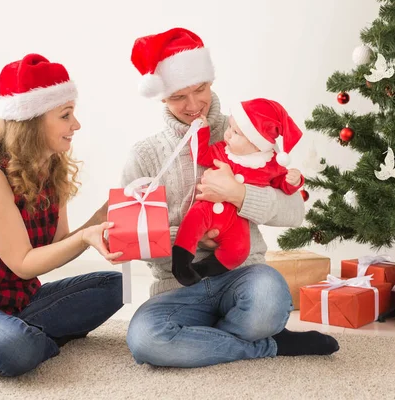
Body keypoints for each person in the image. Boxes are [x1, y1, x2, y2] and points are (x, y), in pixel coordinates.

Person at [123, 27, 340, 368]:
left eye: (200, 89)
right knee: (145, 341)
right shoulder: (145, 155)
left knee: (268, 300)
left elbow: (294, 212)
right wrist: (193, 236)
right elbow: (132, 241)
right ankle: (264, 345)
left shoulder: (247, 129)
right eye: (179, 97)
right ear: (161, 97)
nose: (194, 105)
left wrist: (239, 194)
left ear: (211, 82)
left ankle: (215, 338)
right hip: (176, 287)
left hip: (244, 275)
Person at [0, 53, 124, 377]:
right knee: (16, 349)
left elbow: (60, 243)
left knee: (116, 286)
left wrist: (98, 219)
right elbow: (24, 263)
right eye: (66, 115)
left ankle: (27, 332)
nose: (76, 125)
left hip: (21, 303)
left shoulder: (53, 166)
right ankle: (28, 339)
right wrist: (88, 238)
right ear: (32, 121)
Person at [172, 99, 306, 286]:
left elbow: (282, 184)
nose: (227, 134)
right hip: (207, 208)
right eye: (229, 128)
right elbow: (201, 154)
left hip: (236, 219)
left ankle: (203, 269)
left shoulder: (270, 163)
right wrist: (203, 131)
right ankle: (181, 265)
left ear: (257, 145)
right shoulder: (222, 150)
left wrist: (294, 181)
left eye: (236, 133)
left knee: (239, 250)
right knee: (192, 223)